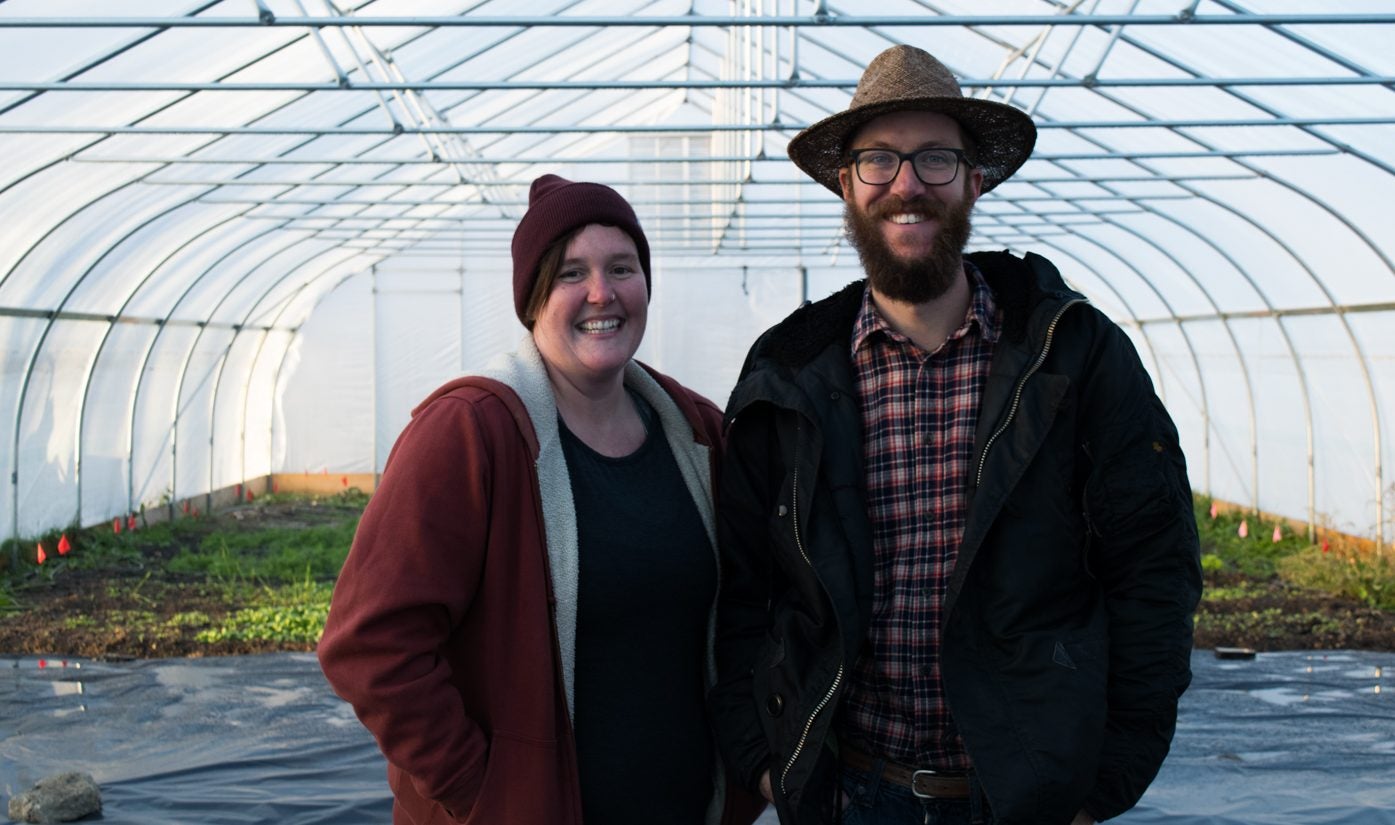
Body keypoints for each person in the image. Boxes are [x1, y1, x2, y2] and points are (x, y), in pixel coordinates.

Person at [709, 45, 1203, 825]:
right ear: (846, 185)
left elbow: (1153, 572)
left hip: (1024, 801)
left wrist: (1100, 786)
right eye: (878, 160)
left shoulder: (1071, 356)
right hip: (852, 793)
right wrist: (766, 763)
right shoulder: (788, 373)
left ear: (976, 180)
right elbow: (741, 589)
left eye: (934, 159)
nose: (906, 185)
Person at [319, 174, 765, 825]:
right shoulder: (471, 432)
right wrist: (483, 788)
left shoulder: (695, 431)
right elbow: (369, 643)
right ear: (531, 298)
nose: (601, 293)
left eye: (622, 267)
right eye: (569, 274)